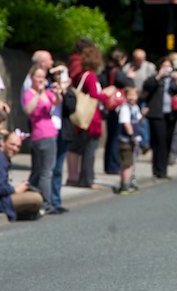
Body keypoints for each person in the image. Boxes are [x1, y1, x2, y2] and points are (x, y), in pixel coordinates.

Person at [67, 46, 115, 189]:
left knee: (81, 147)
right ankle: (87, 179)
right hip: (91, 117)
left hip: (83, 116)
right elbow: (95, 95)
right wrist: (107, 93)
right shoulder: (91, 76)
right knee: (89, 149)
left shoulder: (81, 75)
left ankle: (79, 177)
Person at [23, 66, 62, 214]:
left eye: (42, 77)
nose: (40, 80)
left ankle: (32, 199)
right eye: (37, 77)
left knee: (40, 170)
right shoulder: (29, 94)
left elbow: (57, 101)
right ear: (31, 78)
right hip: (40, 135)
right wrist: (38, 93)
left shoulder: (47, 93)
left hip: (50, 133)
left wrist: (58, 92)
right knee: (46, 171)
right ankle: (46, 203)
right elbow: (29, 110)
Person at [143, 57, 177, 179]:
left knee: (168, 141)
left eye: (169, 66)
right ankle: (158, 170)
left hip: (171, 114)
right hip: (157, 114)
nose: (167, 69)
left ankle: (164, 170)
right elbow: (147, 87)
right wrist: (159, 76)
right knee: (159, 142)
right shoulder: (155, 79)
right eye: (164, 66)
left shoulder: (173, 80)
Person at [100, 48, 134, 175]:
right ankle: (113, 165)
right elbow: (129, 84)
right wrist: (130, 77)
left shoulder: (105, 71)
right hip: (116, 106)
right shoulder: (117, 72)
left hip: (108, 106)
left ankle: (109, 164)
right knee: (115, 137)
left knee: (110, 137)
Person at [49, 61, 75, 214]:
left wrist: (64, 90)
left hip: (62, 132)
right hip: (47, 132)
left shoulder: (69, 92)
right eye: (56, 74)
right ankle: (46, 200)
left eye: (62, 74)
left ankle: (55, 201)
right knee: (47, 169)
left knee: (57, 168)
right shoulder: (46, 87)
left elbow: (71, 108)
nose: (58, 77)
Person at [0, 131, 43, 221]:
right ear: (3, 143)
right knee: (36, 198)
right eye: (12, 144)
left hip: (4, 196)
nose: (15, 148)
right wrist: (15, 189)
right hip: (2, 200)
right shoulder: (1, 160)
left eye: (18, 146)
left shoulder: (4, 159)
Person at [123, 48, 157, 152]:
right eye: (137, 59)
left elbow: (154, 80)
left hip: (144, 97)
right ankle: (135, 141)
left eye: (141, 59)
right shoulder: (128, 67)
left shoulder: (150, 67)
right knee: (132, 120)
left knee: (143, 120)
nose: (139, 61)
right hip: (131, 98)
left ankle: (144, 143)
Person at [117, 87, 143, 194]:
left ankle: (130, 182)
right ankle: (124, 184)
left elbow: (138, 121)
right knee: (126, 163)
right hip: (126, 140)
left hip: (134, 139)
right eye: (130, 95)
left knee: (132, 162)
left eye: (134, 95)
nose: (132, 98)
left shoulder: (136, 108)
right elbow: (126, 123)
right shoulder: (125, 108)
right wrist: (132, 135)